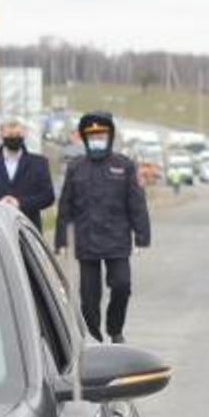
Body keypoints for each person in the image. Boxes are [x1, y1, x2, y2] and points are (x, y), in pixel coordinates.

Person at [54, 111, 150, 344]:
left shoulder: (123, 166)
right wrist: (61, 240)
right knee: (89, 297)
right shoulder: (76, 168)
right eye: (92, 135)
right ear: (85, 139)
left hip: (117, 240)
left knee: (122, 286)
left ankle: (115, 329)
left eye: (102, 134)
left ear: (110, 136)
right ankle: (94, 334)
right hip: (87, 242)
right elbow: (65, 205)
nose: (97, 138)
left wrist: (142, 236)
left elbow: (136, 202)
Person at [0, 115, 55, 231]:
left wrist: (20, 203)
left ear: (24, 133)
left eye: (17, 135)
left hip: (28, 231)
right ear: (1, 133)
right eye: (10, 135)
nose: (14, 139)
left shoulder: (39, 163)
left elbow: (48, 196)